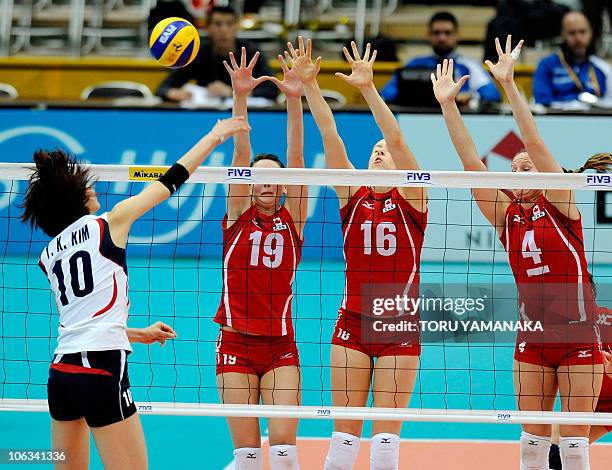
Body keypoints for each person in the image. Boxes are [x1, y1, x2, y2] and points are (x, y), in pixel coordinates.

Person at [20, 118, 248, 469]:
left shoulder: (48, 255)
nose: (93, 187)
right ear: (73, 195)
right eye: (86, 184)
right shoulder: (109, 223)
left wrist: (135, 334)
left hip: (61, 372)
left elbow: (82, 319)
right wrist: (214, 137)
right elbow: (170, 181)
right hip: (101, 369)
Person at [432, 35, 612, 470]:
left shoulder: (562, 204)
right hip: (531, 338)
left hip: (576, 336)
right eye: (513, 167)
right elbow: (473, 165)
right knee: (531, 444)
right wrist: (448, 105)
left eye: (527, 163)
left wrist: (509, 85)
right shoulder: (507, 216)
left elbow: (531, 136)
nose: (519, 167)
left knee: (573, 446)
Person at [289, 37, 426, 470]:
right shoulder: (352, 194)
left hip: (398, 321)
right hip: (351, 320)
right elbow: (330, 134)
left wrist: (368, 89)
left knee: (385, 441)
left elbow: (398, 138)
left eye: (383, 151)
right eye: (374, 150)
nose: (379, 151)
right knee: (343, 439)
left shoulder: (414, 198)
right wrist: (310, 85)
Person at [214, 47, 307, 470]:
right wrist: (239, 96)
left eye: (275, 175)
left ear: (284, 185)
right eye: (259, 175)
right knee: (249, 456)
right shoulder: (237, 215)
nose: (266, 180)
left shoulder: (295, 219)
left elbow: (300, 159)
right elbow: (239, 153)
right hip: (234, 341)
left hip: (280, 344)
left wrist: (293, 98)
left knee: (284, 453)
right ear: (250, 185)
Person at [155, 5, 277, 102]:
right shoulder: (198, 53)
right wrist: (173, 93)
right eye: (218, 24)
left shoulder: (251, 52)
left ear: (237, 27)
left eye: (229, 24)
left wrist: (234, 92)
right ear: (208, 27)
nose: (224, 30)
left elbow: (272, 89)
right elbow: (163, 88)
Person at [381, 11, 501, 106]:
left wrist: (470, 96)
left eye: (447, 33)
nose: (442, 38)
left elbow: (492, 95)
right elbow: (386, 94)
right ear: (428, 36)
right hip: (416, 120)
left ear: (457, 36)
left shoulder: (470, 66)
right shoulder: (413, 65)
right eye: (437, 33)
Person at [533, 11, 612, 107]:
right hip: (558, 119)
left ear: (591, 33)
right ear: (563, 34)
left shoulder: (602, 68)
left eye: (583, 32)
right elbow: (542, 104)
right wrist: (573, 105)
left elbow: (609, 105)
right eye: (572, 33)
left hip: (594, 118)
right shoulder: (546, 65)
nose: (578, 38)